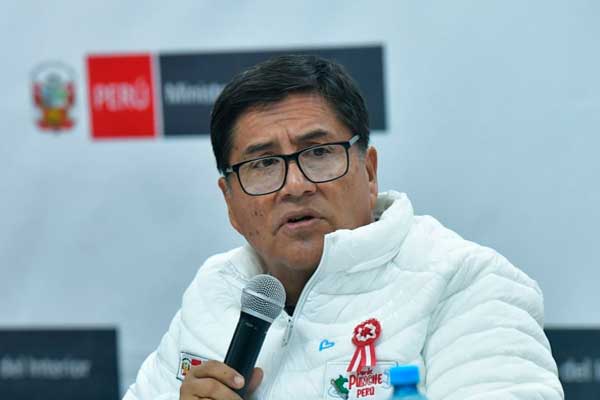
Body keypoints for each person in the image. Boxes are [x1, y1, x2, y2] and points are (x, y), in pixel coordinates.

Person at [124, 55, 563, 400]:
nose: (295, 186)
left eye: (318, 153)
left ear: (369, 173)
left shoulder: (467, 281)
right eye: (264, 164)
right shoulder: (213, 291)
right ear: (230, 203)